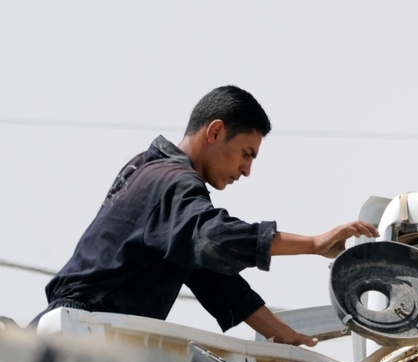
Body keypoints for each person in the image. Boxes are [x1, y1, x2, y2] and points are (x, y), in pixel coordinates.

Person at [37, 85, 378, 346]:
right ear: (214, 132)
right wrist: (315, 243)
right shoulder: (173, 181)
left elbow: (217, 282)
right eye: (247, 153)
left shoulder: (152, 175)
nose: (246, 170)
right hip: (82, 335)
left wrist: (285, 336)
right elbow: (213, 238)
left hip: (79, 331)